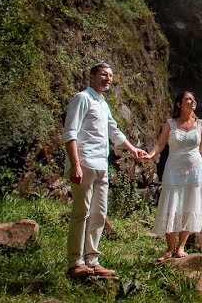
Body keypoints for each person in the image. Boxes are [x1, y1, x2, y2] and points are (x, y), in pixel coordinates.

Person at [63, 61, 148, 280]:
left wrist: (132, 149)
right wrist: (75, 165)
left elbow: (114, 130)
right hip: (85, 163)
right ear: (92, 77)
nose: (107, 78)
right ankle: (75, 262)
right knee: (81, 213)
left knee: (99, 214)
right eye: (103, 74)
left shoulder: (102, 102)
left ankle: (92, 260)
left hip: (101, 165)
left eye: (110, 75)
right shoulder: (82, 98)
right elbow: (70, 133)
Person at [146, 90, 202, 262]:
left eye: (193, 99)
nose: (192, 101)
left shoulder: (200, 124)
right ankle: (169, 249)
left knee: (190, 206)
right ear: (179, 104)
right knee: (172, 206)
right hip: (173, 170)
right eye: (188, 99)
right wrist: (150, 154)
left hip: (195, 170)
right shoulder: (170, 123)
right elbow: (161, 144)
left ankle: (181, 247)